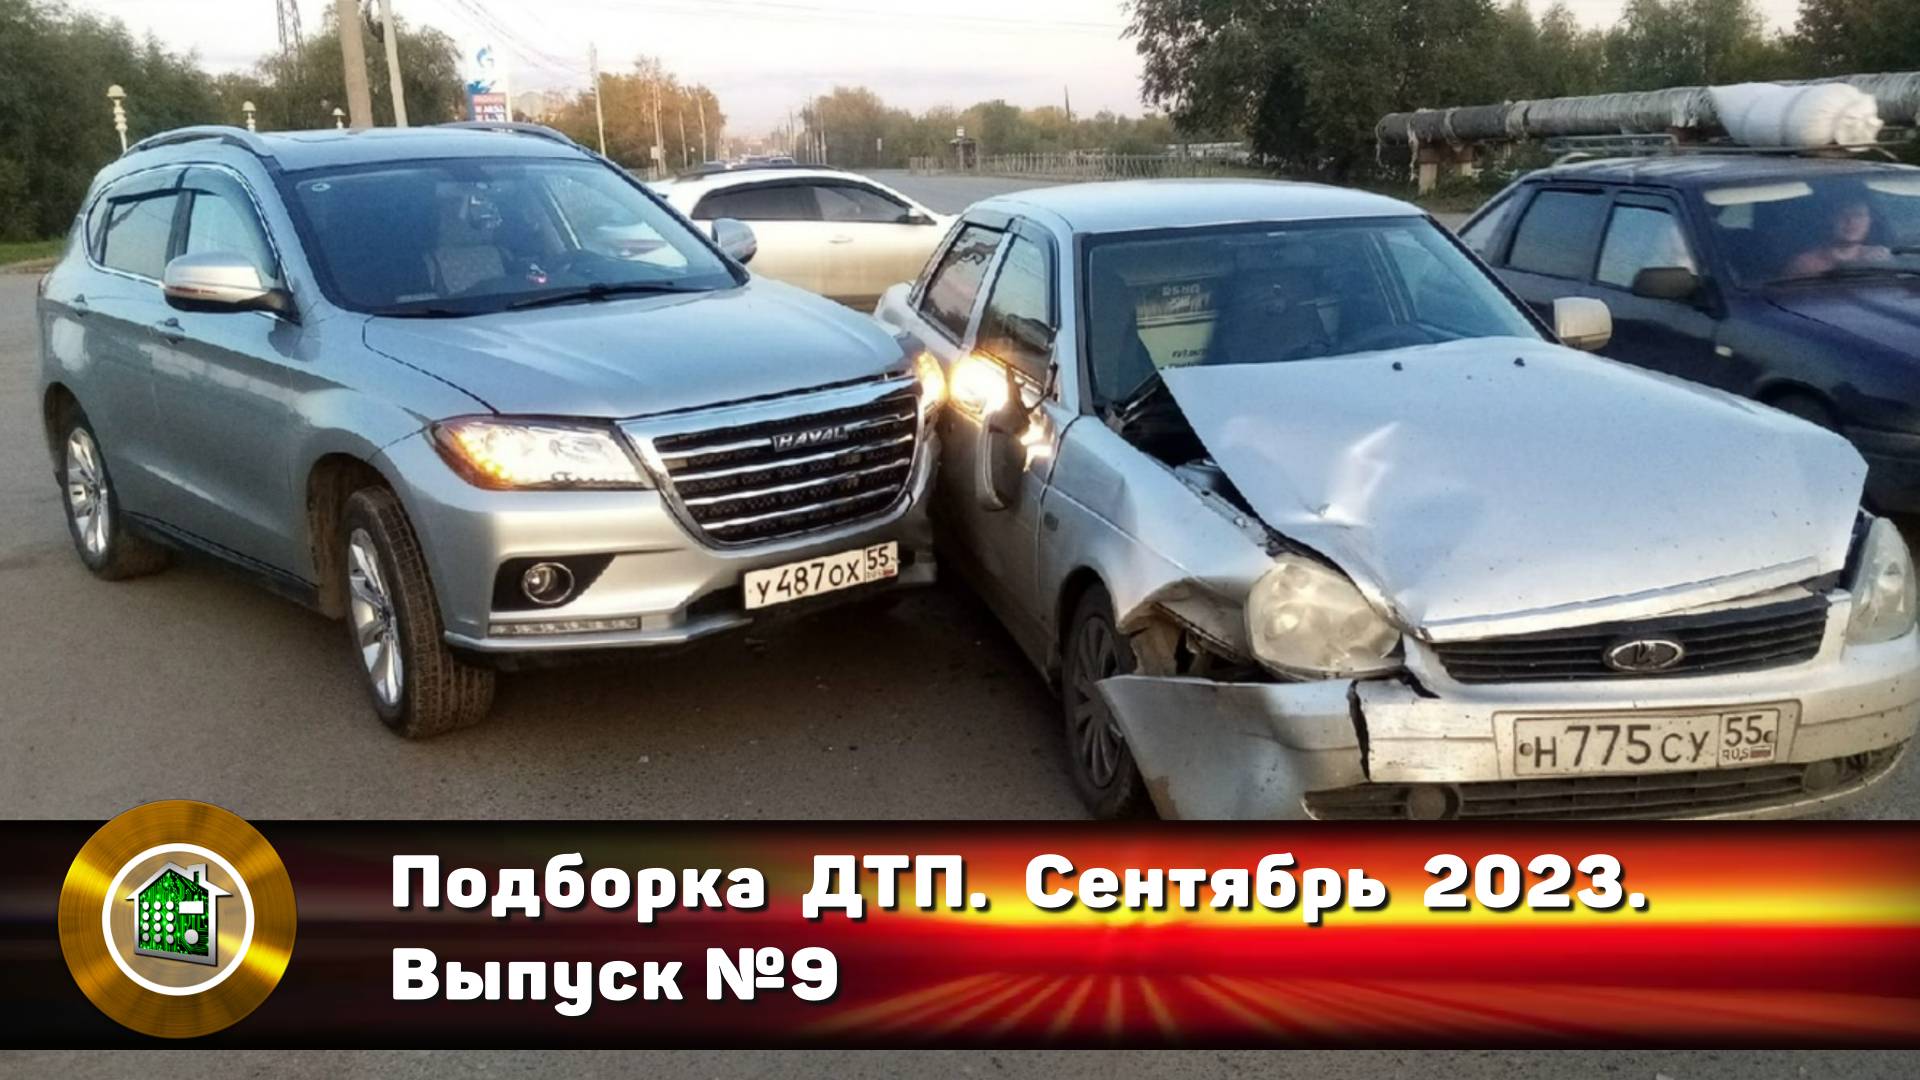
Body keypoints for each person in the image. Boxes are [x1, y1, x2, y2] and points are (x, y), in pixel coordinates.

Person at [1781, 199, 1891, 278]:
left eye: (1858, 215)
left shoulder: (1880, 258)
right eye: (1843, 214)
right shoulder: (1805, 265)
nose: (1851, 221)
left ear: (1870, 221)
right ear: (1830, 220)